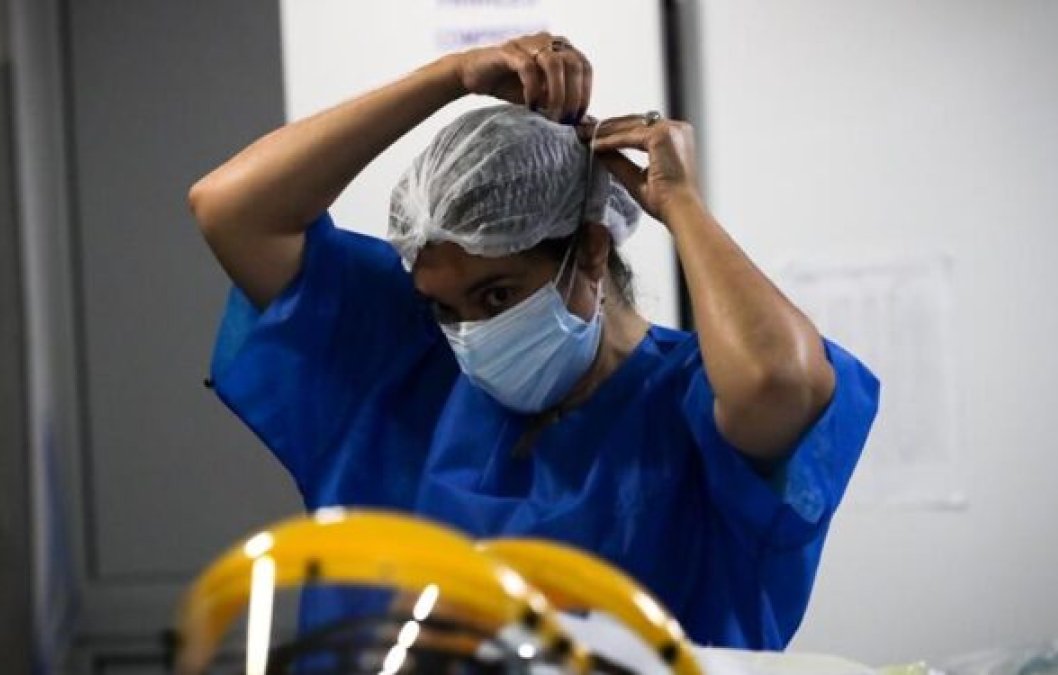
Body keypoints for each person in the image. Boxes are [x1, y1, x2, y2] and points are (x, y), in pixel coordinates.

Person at [188, 32, 879, 650]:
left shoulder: (689, 406)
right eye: (444, 307)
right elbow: (231, 209)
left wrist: (681, 204)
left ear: (593, 252)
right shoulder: (405, 363)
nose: (471, 334)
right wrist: (449, 77)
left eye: (497, 295)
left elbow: (780, 382)